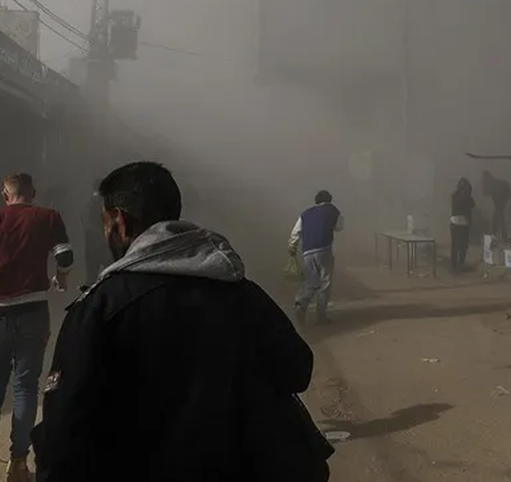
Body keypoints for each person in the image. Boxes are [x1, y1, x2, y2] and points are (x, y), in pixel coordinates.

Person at [32, 161, 323, 481]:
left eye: (105, 222)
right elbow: (297, 369)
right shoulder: (240, 293)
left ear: (119, 221)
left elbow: (64, 427)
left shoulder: (101, 307)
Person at [0, 172, 73, 482]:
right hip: (33, 309)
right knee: (25, 385)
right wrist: (62, 277)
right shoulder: (48, 217)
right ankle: (18, 463)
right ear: (33, 192)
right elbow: (66, 255)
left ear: (4, 194)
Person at [289, 189, 343, 326]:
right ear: (329, 200)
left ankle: (300, 305)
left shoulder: (305, 214)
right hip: (324, 250)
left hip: (307, 252)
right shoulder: (334, 211)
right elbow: (339, 227)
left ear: (316, 201)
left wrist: (292, 247)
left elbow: (296, 232)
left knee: (311, 282)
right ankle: (321, 317)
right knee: (325, 283)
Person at [449, 178, 475, 273]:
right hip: (463, 223)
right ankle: (459, 265)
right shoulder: (466, 197)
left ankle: (454, 266)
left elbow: (471, 205)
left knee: (456, 245)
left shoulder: (454, 195)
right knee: (462, 245)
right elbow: (472, 205)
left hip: (455, 223)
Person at [482, 170, 511, 243]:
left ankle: (498, 238)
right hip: (501, 205)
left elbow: (485, 193)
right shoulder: (498, 183)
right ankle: (501, 237)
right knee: (498, 220)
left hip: (500, 205)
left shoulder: (493, 184)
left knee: (498, 220)